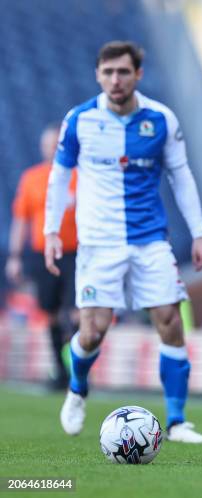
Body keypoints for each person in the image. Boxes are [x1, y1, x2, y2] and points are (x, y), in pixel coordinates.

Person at [44, 41, 202, 444]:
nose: (115, 80)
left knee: (170, 322)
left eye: (123, 72)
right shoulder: (80, 119)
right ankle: (77, 389)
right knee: (92, 332)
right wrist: (51, 230)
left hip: (149, 239)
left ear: (138, 74)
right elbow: (58, 176)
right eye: (108, 72)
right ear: (97, 76)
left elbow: (181, 177)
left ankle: (176, 421)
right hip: (99, 242)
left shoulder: (160, 118)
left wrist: (200, 233)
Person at [6, 123, 78, 390]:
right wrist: (15, 256)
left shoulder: (79, 176)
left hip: (75, 253)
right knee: (49, 313)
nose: (51, 149)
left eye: (55, 143)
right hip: (42, 253)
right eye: (47, 144)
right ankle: (59, 369)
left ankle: (75, 366)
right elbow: (21, 219)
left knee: (76, 312)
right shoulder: (32, 178)